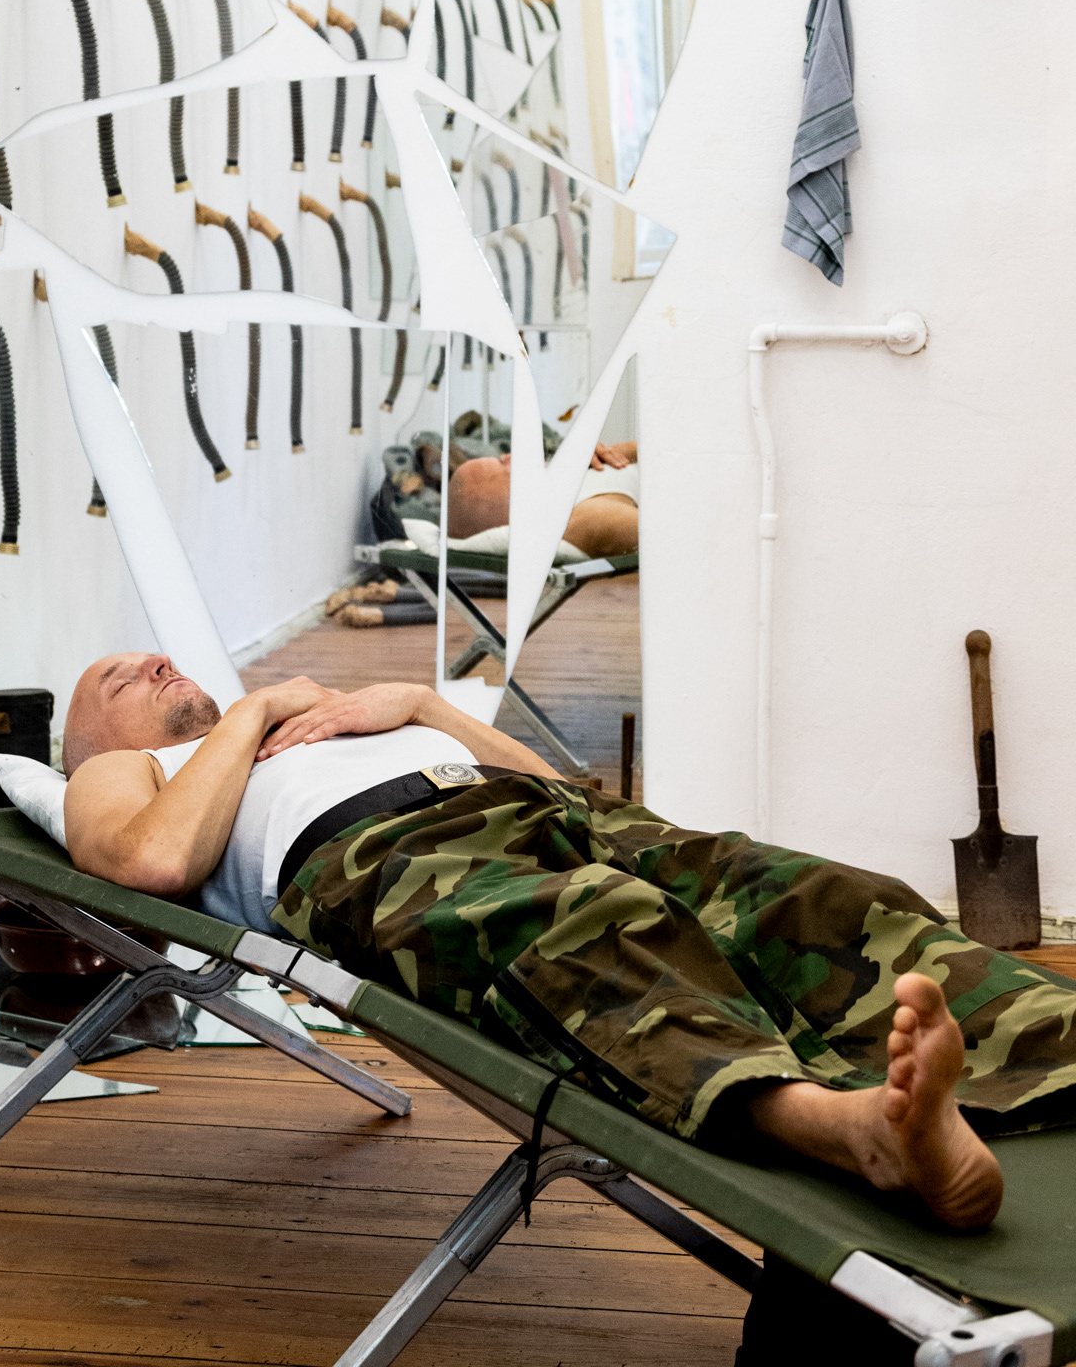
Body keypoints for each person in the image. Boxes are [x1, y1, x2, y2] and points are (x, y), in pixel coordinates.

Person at [61, 651, 1076, 1233]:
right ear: (91, 744)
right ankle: (850, 1129)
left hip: (551, 814)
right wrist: (248, 712)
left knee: (813, 896)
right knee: (589, 936)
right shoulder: (133, 771)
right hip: (392, 854)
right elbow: (152, 860)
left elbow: (558, 786)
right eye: (116, 678)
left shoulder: (334, 714)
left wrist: (423, 705)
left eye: (151, 653)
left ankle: (1051, 1035)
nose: (149, 661)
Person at [448, 440, 638, 558]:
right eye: (502, 463)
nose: (509, 456)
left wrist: (619, 450)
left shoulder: (572, 473)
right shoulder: (591, 517)